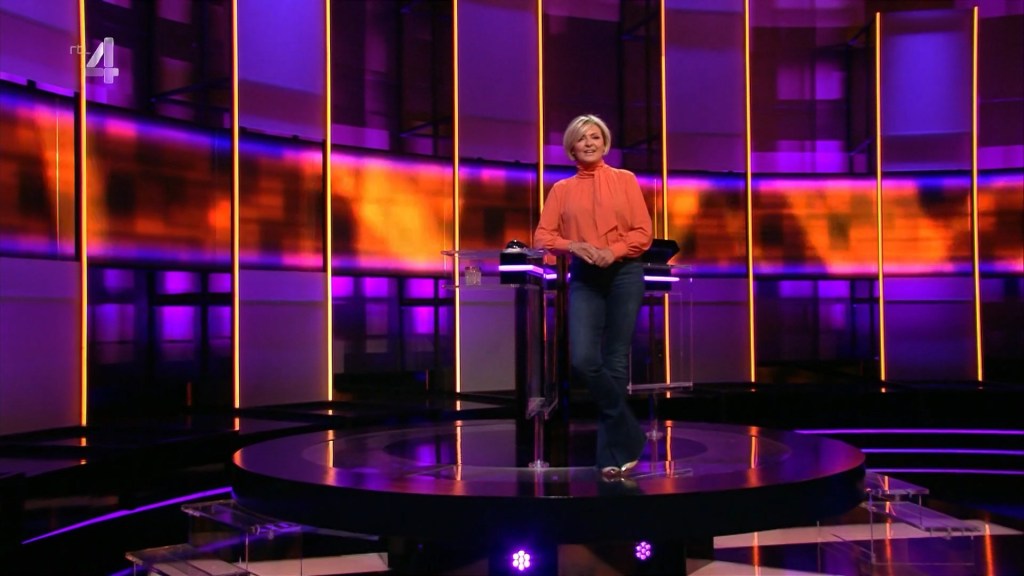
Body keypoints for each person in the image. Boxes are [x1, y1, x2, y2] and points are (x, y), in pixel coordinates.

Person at [533, 114, 653, 478]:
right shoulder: (562, 189)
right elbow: (542, 237)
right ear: (572, 147)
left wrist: (612, 252)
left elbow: (643, 232)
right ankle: (629, 431)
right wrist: (575, 246)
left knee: (615, 361)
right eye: (582, 138)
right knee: (584, 358)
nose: (589, 142)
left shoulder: (625, 179)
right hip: (585, 276)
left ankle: (611, 455)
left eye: (595, 136)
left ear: (605, 143)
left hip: (625, 274)